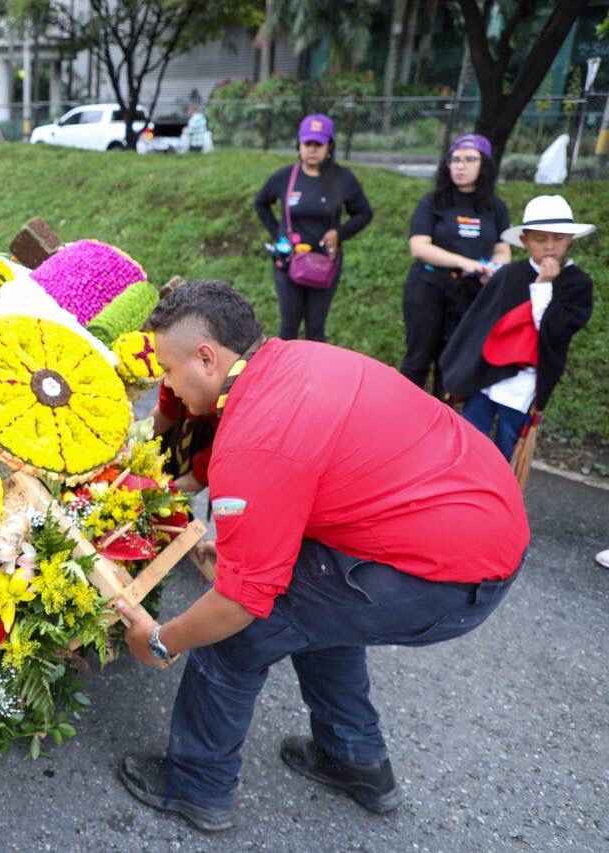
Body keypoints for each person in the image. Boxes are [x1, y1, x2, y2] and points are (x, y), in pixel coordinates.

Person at [114, 280, 528, 832]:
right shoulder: (297, 358)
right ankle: (355, 759)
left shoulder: (252, 438)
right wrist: (250, 552)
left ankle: (195, 786)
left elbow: (239, 603)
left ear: (207, 357)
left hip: (443, 575)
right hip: (484, 530)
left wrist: (159, 640)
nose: (165, 382)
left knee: (235, 634)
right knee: (313, 611)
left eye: (167, 368)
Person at [439, 195, 595, 461]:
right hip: (486, 376)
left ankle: (498, 497)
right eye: (540, 239)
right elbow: (479, 324)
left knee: (507, 445)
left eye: (558, 239)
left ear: (570, 239)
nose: (549, 247)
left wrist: (544, 285)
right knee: (470, 436)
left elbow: (554, 331)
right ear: (525, 241)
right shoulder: (510, 275)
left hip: (526, 383)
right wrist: (460, 366)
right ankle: (460, 491)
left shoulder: (577, 284)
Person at [399, 135, 511, 395]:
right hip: (428, 289)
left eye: (469, 159)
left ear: (484, 165)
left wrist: (493, 269)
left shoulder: (495, 207)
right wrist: (465, 262)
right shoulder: (432, 202)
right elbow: (419, 246)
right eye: (455, 160)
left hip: (470, 293)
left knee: (451, 363)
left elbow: (502, 248)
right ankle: (402, 417)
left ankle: (443, 420)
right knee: (418, 359)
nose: (460, 166)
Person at [254, 114, 372, 342]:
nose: (312, 150)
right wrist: (278, 233)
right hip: (288, 262)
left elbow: (364, 213)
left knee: (316, 327)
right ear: (298, 145)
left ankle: (315, 376)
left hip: (325, 263)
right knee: (289, 326)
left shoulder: (343, 179)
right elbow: (261, 204)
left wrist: (340, 233)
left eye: (318, 144)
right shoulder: (284, 177)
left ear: (329, 147)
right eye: (307, 143)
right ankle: (287, 376)